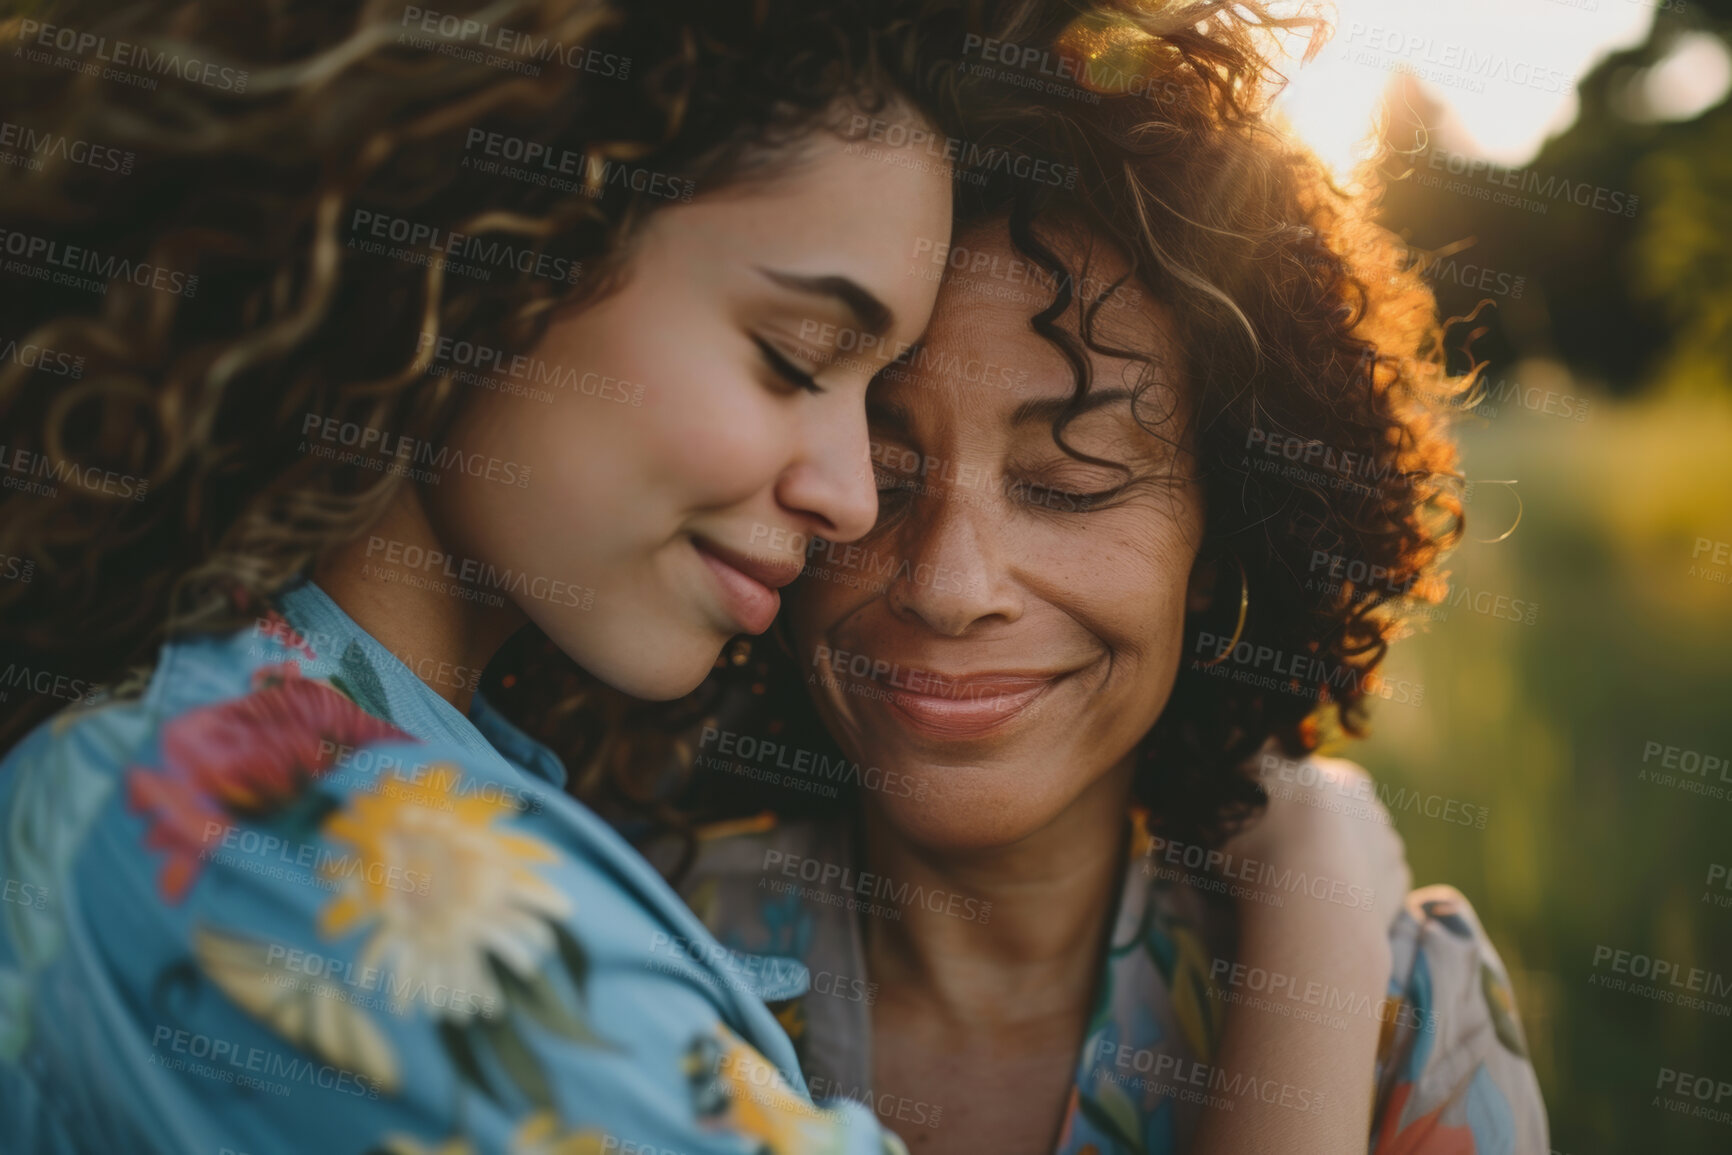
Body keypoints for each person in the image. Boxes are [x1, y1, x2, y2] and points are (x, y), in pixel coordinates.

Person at [0, 0, 1034, 1150]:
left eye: (872, 401)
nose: (849, 496)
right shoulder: (262, 831)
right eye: (793, 358)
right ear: (500, 254)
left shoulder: (302, 747)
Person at [547, 8, 1550, 1153]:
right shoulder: (608, 947)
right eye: (881, 469)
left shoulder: (1400, 1015)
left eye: (1071, 485)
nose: (947, 584)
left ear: (1222, 543)